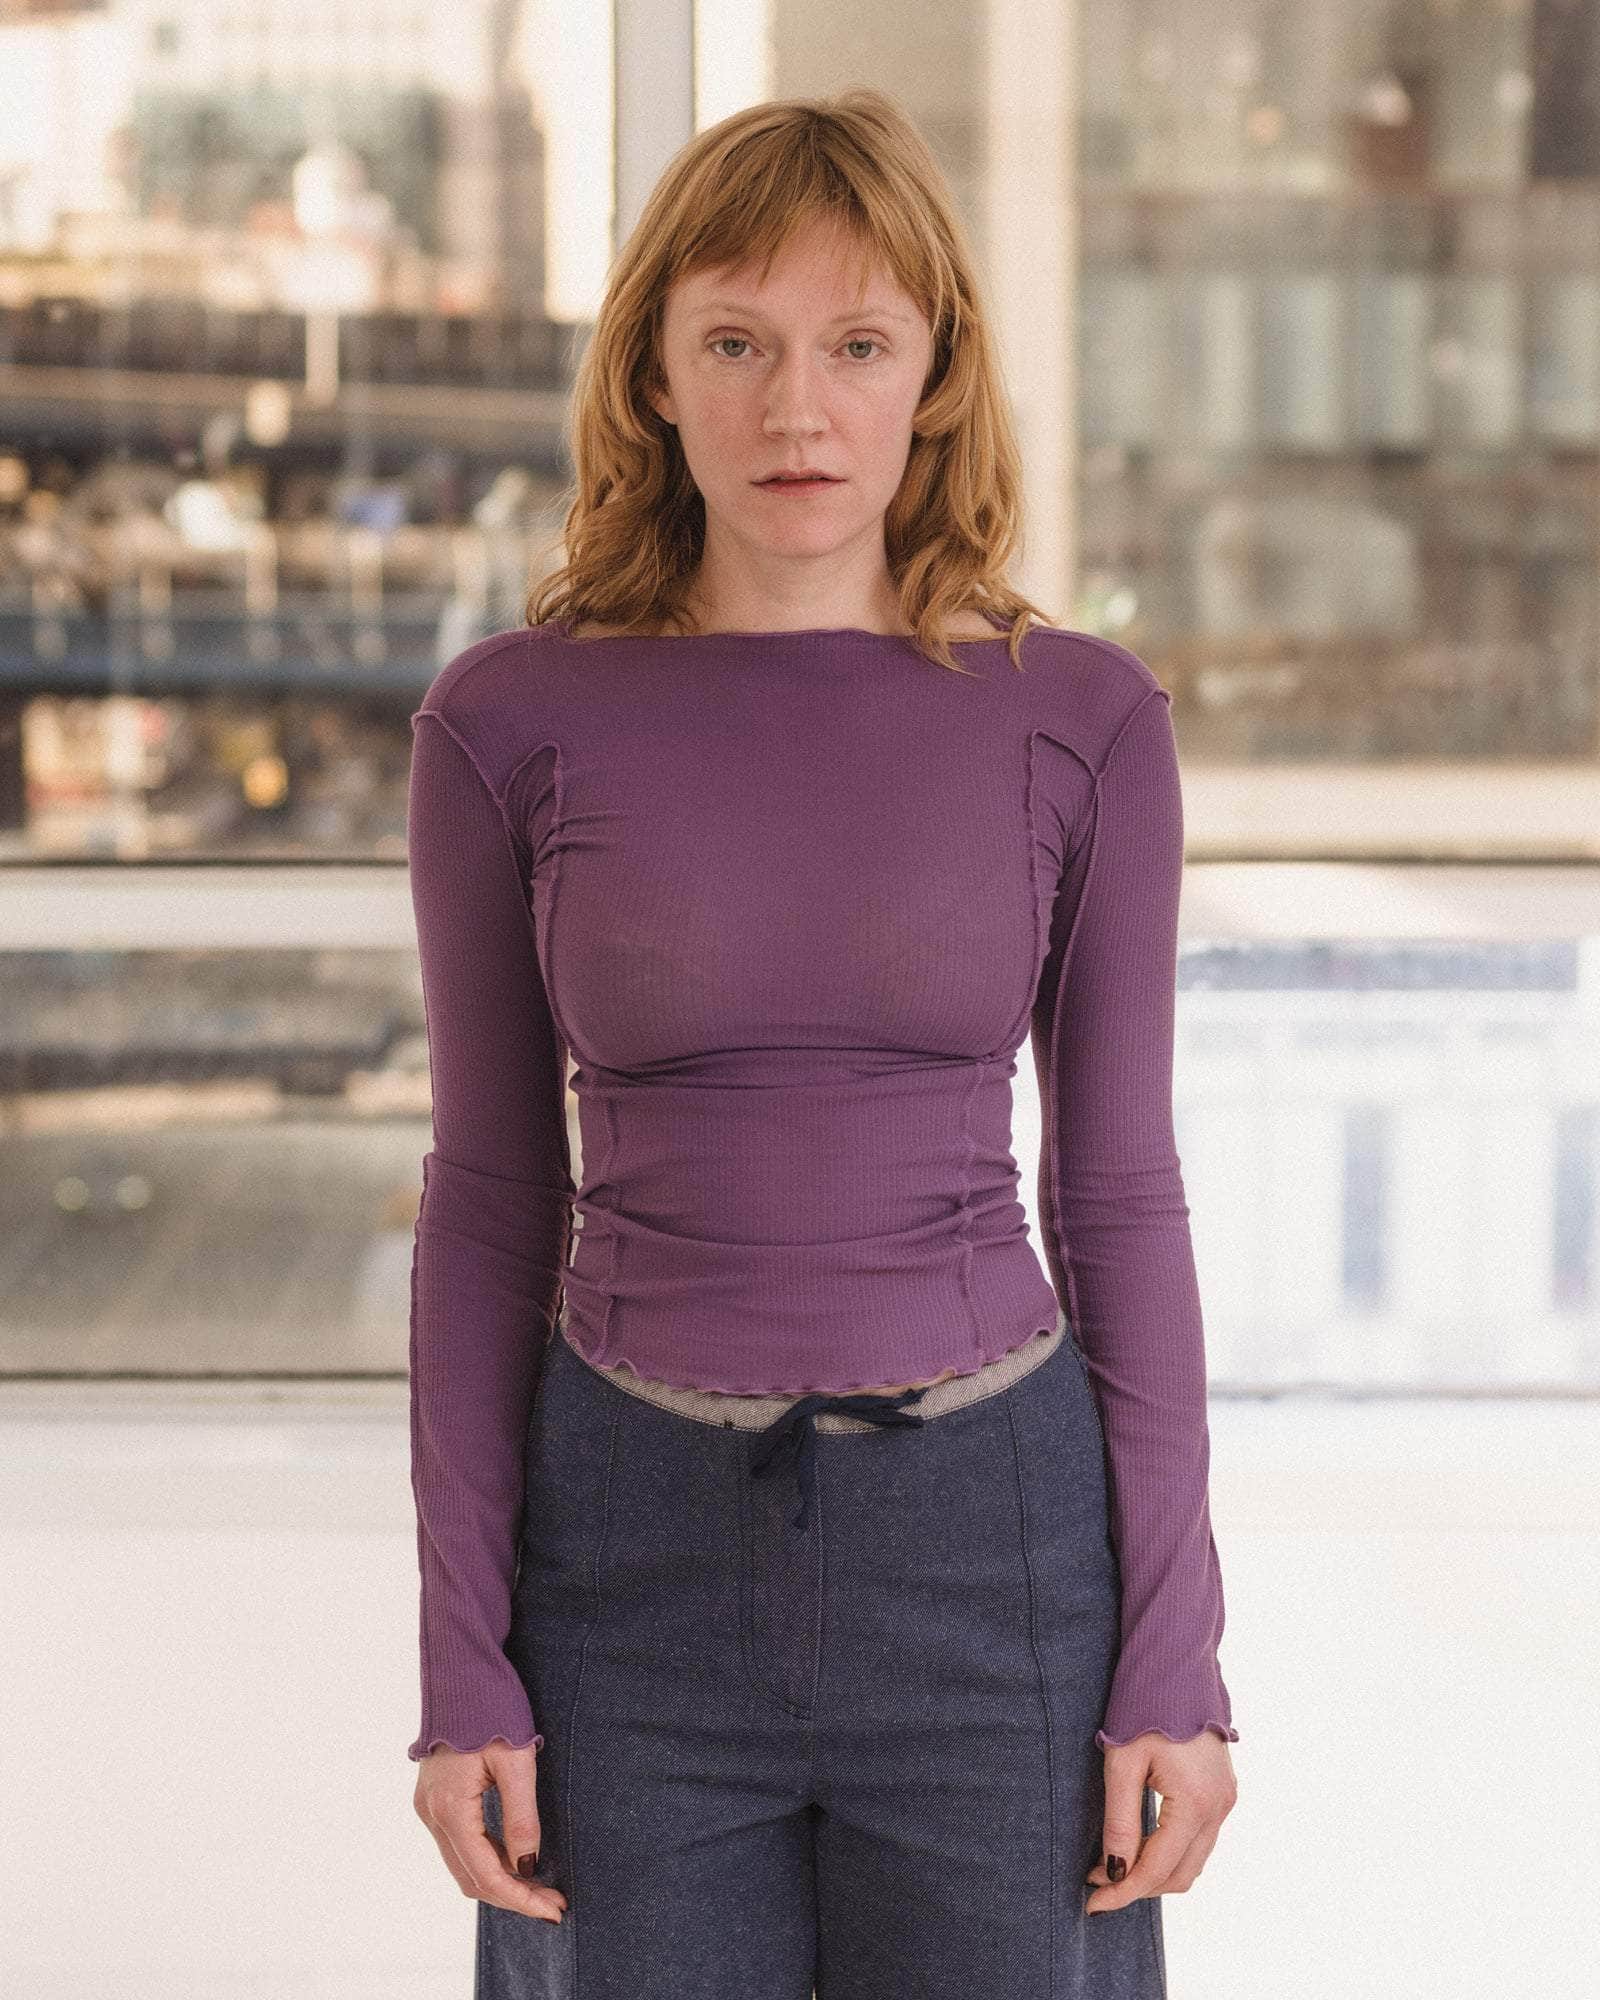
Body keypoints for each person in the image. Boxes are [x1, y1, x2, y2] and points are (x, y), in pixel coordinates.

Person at [403, 87, 1238, 1999]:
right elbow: (489, 1205)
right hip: (623, 1564)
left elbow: (1119, 1196)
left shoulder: (1083, 720)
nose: (798, 408)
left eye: (857, 344)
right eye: (737, 343)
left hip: (994, 1561)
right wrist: (462, 1661)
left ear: (934, 375)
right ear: (654, 375)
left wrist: (1176, 1657)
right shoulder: (507, 724)